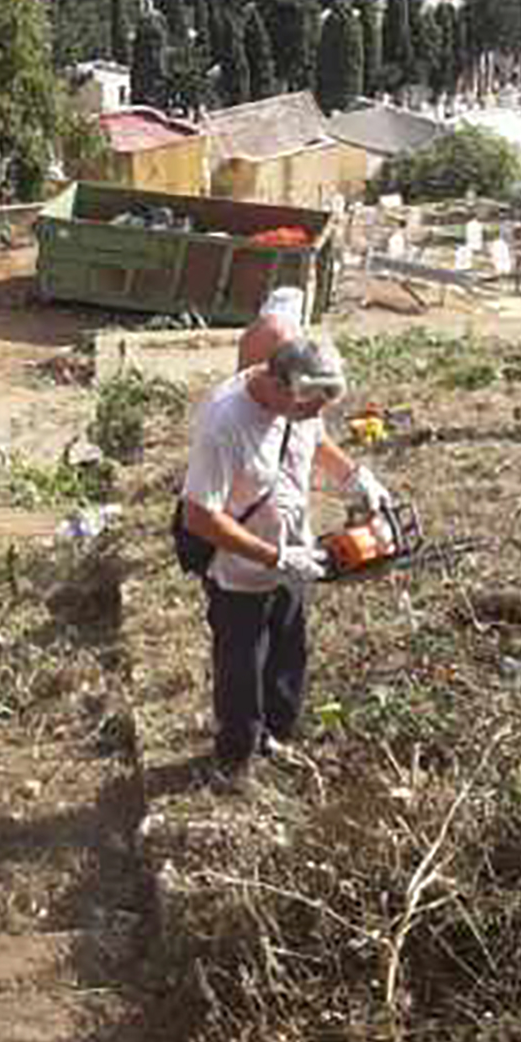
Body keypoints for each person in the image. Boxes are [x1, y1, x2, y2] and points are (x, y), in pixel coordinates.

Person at [180, 334, 391, 793]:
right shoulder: (225, 423)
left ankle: (277, 734)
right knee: (242, 664)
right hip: (242, 571)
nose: (314, 415)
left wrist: (354, 477)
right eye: (308, 405)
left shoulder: (299, 406)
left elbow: (315, 440)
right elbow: (199, 515)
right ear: (278, 385)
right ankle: (235, 758)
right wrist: (274, 557)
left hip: (296, 554)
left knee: (289, 651)